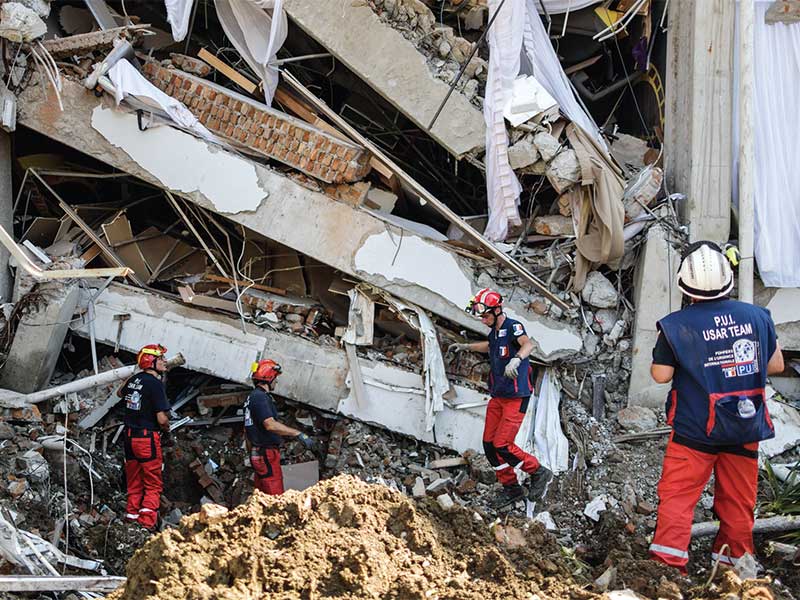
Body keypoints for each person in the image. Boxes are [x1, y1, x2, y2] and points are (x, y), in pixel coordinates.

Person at [649, 241, 784, 573]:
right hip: (744, 425)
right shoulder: (757, 317)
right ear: (728, 279)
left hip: (694, 430)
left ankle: (667, 568)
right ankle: (734, 566)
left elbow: (661, 375)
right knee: (738, 500)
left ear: (685, 284)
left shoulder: (676, 325)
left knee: (678, 497)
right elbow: (776, 365)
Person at [449, 288, 553, 509]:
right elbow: (490, 346)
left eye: (486, 315)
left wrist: (517, 359)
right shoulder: (494, 332)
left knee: (502, 444)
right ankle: (511, 488)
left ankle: (538, 472)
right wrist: (466, 346)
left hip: (516, 397)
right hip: (498, 395)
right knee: (489, 445)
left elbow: (529, 344)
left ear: (497, 310)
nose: (483, 320)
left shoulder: (513, 327)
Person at [244, 359, 315, 495]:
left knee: (261, 495)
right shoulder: (260, 397)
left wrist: (252, 452)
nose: (276, 382)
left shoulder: (251, 398)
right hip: (266, 454)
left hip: (257, 452)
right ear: (269, 378)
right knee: (274, 495)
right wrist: (297, 434)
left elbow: (246, 430)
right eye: (275, 378)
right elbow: (270, 424)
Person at [120, 344, 171, 530]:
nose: (165, 361)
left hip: (129, 437)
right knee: (152, 483)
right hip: (146, 438)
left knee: (134, 480)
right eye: (161, 358)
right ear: (151, 361)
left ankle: (131, 517)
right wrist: (167, 429)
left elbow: (120, 393)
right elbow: (161, 418)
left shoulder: (134, 379)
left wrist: (134, 379)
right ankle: (146, 523)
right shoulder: (155, 384)